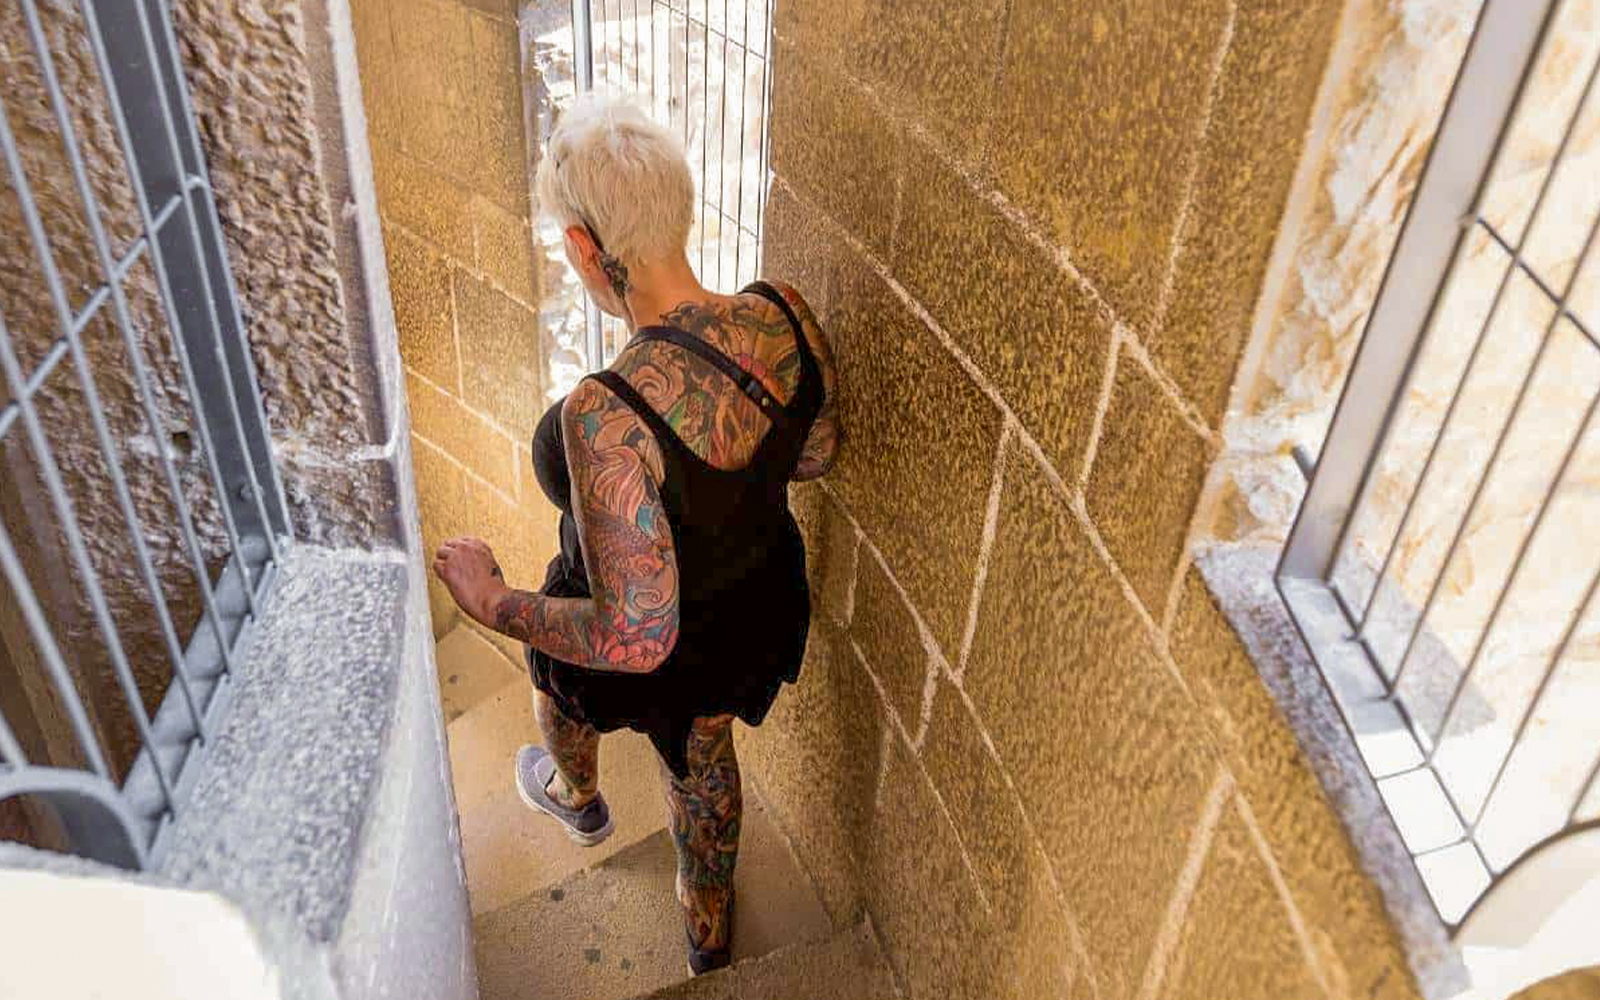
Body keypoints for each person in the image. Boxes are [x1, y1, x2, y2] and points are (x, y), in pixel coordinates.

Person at [431, 91, 840, 976]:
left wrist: (494, 600)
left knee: (555, 659)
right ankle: (708, 939)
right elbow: (817, 452)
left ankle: (577, 795)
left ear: (585, 248)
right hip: (753, 605)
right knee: (705, 752)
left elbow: (635, 635)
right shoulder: (784, 314)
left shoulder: (604, 413)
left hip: (662, 646)